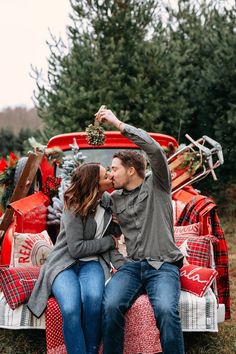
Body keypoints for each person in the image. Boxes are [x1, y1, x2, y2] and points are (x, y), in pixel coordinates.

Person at [95, 108, 185, 354]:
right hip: (132, 266)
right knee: (111, 304)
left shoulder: (158, 184)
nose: (111, 174)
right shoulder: (114, 198)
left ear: (131, 170)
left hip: (163, 264)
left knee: (166, 310)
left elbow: (154, 149)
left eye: (114, 168)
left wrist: (117, 123)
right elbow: (107, 230)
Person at [27, 162, 126, 354]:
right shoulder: (72, 205)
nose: (110, 178)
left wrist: (118, 225)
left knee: (93, 301)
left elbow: (115, 232)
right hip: (64, 264)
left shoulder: (108, 202)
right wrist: (109, 242)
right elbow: (76, 249)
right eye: (106, 176)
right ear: (93, 183)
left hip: (92, 263)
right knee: (71, 309)